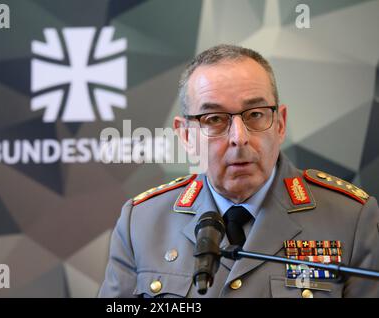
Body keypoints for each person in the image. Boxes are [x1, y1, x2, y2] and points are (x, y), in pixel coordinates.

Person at [98, 44, 379, 298]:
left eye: (255, 114)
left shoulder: (351, 219)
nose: (239, 137)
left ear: (280, 124)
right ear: (185, 136)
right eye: (215, 119)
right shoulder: (142, 223)